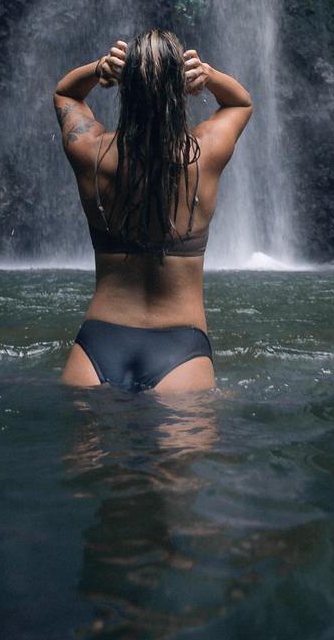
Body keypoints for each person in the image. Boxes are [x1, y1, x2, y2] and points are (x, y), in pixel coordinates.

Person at [52, 28, 253, 392]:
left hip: (97, 345)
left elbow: (65, 93)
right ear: (181, 92)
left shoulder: (92, 152)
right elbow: (240, 103)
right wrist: (208, 77)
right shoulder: (204, 154)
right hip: (180, 348)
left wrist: (99, 69)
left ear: (124, 88)